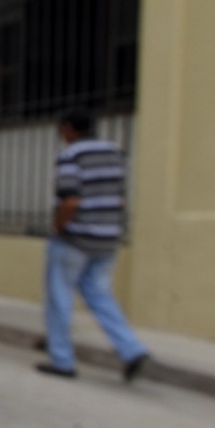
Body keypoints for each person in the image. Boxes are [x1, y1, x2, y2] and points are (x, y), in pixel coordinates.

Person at [36, 110, 150, 381]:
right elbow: (119, 197)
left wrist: (58, 227)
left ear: (68, 129)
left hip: (75, 239)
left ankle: (62, 360)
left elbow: (70, 201)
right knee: (100, 295)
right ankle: (132, 349)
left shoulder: (71, 155)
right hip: (108, 238)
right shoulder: (114, 153)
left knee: (59, 297)